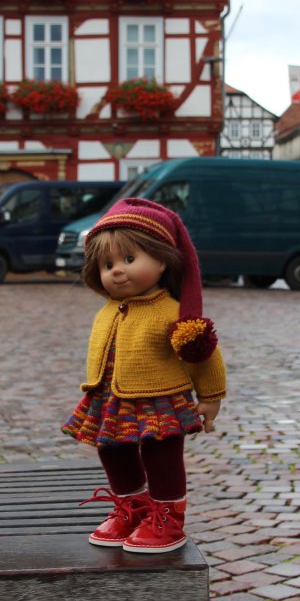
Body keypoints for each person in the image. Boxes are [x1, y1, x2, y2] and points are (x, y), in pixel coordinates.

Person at [63, 198, 226, 554]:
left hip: (160, 397)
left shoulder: (172, 313)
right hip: (110, 398)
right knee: (112, 451)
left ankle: (168, 516)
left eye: (129, 259)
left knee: (162, 455)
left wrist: (211, 396)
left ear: (162, 258)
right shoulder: (106, 311)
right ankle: (132, 507)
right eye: (107, 264)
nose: (117, 271)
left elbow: (204, 355)